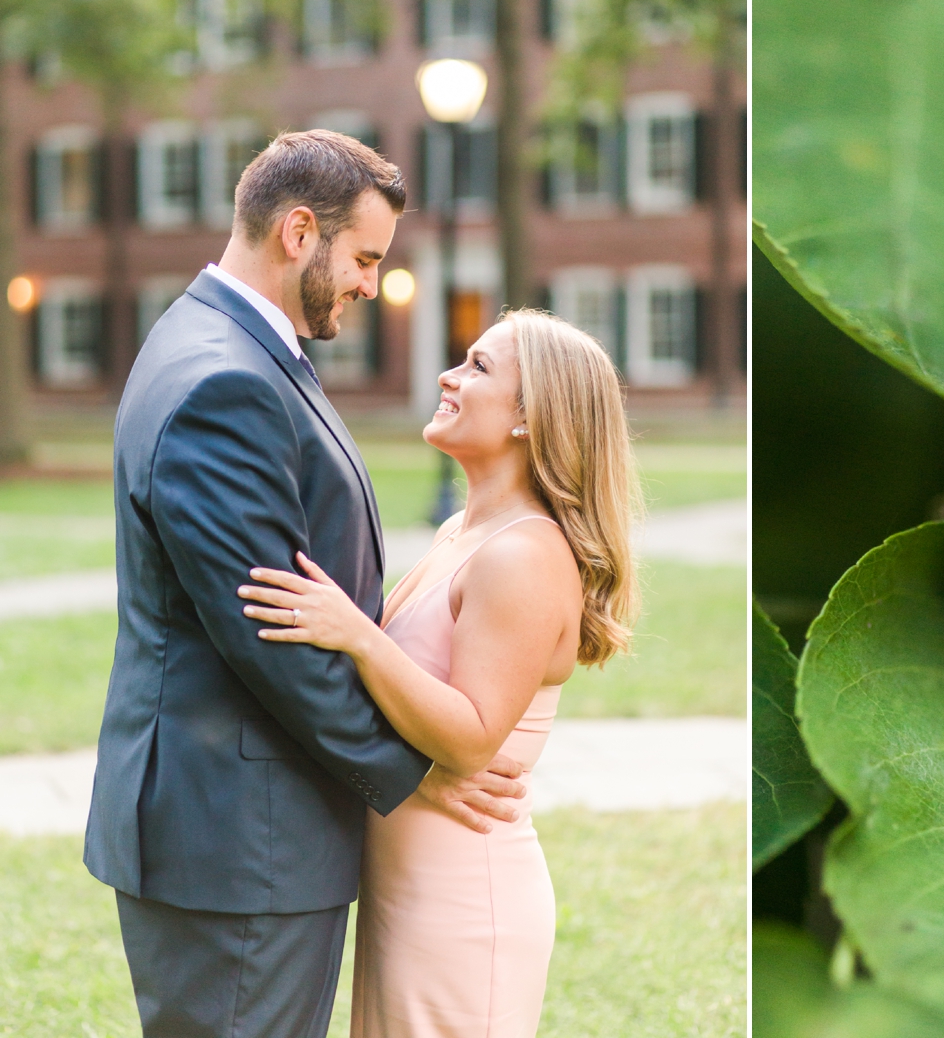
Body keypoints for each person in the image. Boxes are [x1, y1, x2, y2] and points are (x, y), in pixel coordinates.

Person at [86, 130, 529, 1038]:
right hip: (240, 834)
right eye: (365, 256)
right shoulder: (225, 381)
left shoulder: (217, 343)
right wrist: (411, 774)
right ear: (298, 232)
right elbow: (273, 632)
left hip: (242, 827)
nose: (372, 282)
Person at [236, 308, 640, 1036]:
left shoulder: (524, 553)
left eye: (480, 367)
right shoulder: (463, 532)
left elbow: (475, 735)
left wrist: (358, 634)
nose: (450, 376)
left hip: (464, 896)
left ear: (529, 416)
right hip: (408, 884)